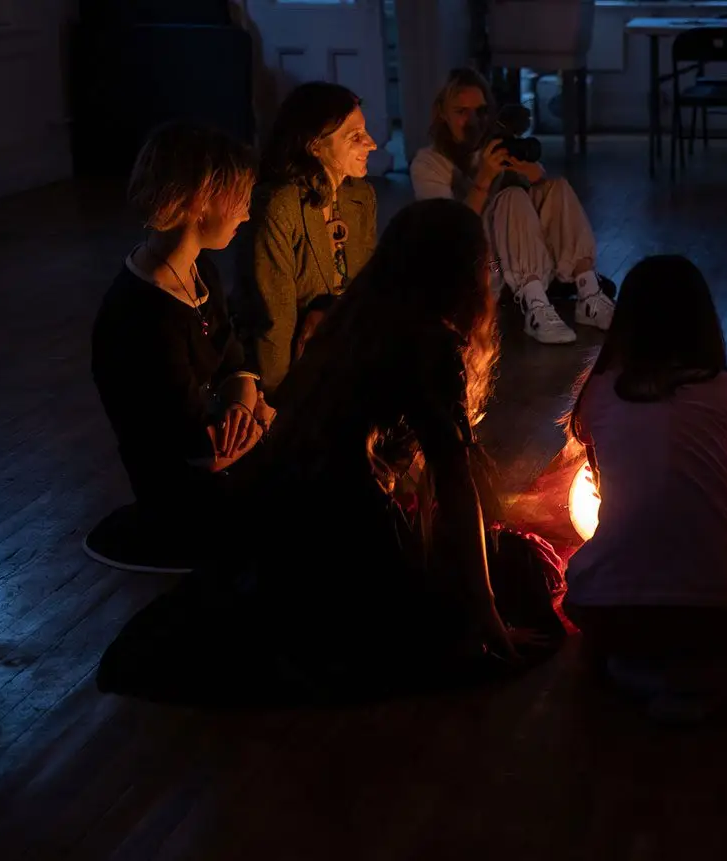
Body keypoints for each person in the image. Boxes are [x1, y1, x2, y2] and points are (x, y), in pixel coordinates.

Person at [97, 200, 566, 705]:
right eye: (485, 267)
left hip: (280, 519)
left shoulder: (355, 317)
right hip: (345, 536)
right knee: (517, 568)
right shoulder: (430, 343)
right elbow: (454, 479)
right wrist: (485, 612)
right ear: (461, 276)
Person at [562, 255, 727, 723]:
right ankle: (697, 676)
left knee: (586, 593)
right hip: (715, 610)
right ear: (706, 322)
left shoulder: (600, 394)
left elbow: (609, 494)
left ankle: (631, 671)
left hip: (605, 608)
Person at [88, 123, 275, 573]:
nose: (246, 215)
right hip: (180, 497)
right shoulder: (142, 315)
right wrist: (259, 420)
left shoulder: (200, 272)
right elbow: (201, 453)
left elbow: (236, 364)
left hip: (225, 462)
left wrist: (243, 410)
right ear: (200, 201)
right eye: (239, 200)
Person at [411, 67, 613, 345]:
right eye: (461, 111)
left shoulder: (494, 145)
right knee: (511, 197)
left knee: (556, 187)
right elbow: (449, 232)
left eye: (480, 111)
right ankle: (535, 306)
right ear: (442, 113)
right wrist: (483, 179)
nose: (473, 121)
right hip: (478, 269)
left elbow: (544, 201)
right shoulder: (427, 163)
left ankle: (588, 291)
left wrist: (532, 176)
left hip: (521, 254)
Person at [237, 81, 379, 397]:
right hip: (299, 371)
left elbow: (366, 286)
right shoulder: (280, 206)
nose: (372, 144)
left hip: (347, 351)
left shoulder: (360, 197)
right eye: (355, 137)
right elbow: (272, 320)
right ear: (315, 146)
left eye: (365, 132)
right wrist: (279, 401)